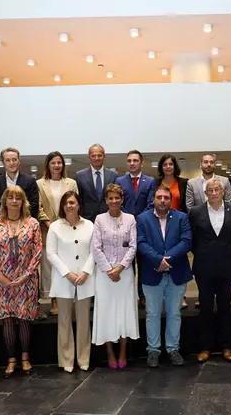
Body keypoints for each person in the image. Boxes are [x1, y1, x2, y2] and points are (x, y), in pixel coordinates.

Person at [0, 186, 43, 378]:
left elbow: (38, 251)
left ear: (23, 201)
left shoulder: (32, 223)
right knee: (8, 320)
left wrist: (27, 274)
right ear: (4, 201)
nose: (14, 201)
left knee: (25, 319)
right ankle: (11, 360)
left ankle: (25, 358)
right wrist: (0, 275)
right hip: (2, 281)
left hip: (26, 279)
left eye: (18, 198)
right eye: (10, 198)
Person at [136, 185, 192, 367]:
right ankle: (153, 350)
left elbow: (186, 241)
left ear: (171, 200)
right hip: (152, 272)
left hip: (176, 272)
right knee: (152, 313)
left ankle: (173, 348)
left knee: (174, 313)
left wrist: (168, 259)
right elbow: (141, 242)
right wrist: (157, 260)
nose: (162, 201)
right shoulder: (143, 219)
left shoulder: (181, 217)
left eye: (166, 198)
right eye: (159, 197)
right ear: (153, 199)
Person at [189, 178, 231, 363]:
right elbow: (193, 240)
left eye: (216, 189)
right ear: (205, 193)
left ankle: (227, 346)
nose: (213, 193)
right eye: (209, 190)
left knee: (226, 307)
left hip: (226, 266)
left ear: (223, 191)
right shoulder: (195, 212)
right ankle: (205, 347)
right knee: (205, 308)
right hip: (204, 267)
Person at [46, 191, 95, 373]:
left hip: (85, 279)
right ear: (62, 206)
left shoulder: (89, 225)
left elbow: (94, 252)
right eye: (66, 203)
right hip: (63, 280)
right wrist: (67, 273)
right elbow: (51, 253)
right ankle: (66, 359)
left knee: (84, 321)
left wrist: (85, 272)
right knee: (64, 321)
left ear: (79, 204)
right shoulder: (55, 227)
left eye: (72, 202)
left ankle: (83, 358)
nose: (69, 206)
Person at [91, 184, 138, 369]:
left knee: (124, 312)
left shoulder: (130, 219)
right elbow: (96, 247)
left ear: (122, 199)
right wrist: (109, 269)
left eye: (117, 198)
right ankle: (110, 351)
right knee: (107, 312)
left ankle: (123, 351)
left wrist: (120, 268)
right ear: (106, 200)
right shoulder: (99, 219)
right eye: (110, 198)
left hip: (125, 274)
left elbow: (133, 246)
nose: (114, 201)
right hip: (104, 275)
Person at [37, 151, 79, 316]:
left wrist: (64, 224)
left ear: (63, 165)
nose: (56, 165)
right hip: (48, 230)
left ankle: (66, 298)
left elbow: (75, 204)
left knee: (67, 264)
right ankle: (53, 299)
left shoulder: (71, 183)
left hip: (68, 230)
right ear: (48, 165)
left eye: (59, 162)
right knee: (49, 268)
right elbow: (38, 208)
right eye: (53, 162)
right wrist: (51, 225)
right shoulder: (40, 184)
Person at [146, 154, 189, 308]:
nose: (168, 167)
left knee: (177, 258)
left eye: (171, 164)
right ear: (161, 167)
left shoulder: (183, 182)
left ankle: (180, 296)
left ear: (174, 166)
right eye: (165, 164)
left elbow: (186, 204)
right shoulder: (155, 183)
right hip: (158, 222)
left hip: (177, 223)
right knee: (157, 254)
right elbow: (151, 202)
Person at [116, 150, 155, 308]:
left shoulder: (150, 181)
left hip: (144, 228)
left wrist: (139, 218)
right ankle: (129, 295)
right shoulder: (120, 180)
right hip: (125, 228)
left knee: (144, 263)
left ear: (141, 162)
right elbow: (119, 203)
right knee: (127, 264)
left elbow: (151, 203)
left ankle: (142, 295)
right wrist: (130, 218)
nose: (132, 163)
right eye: (129, 161)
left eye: (135, 160)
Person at [0, 147, 39, 219]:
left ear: (19, 161)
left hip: (24, 224)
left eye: (14, 159)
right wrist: (4, 221)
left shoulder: (30, 181)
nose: (12, 163)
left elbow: (34, 206)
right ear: (3, 163)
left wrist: (19, 221)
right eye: (8, 160)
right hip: (2, 225)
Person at [75, 143, 119, 221]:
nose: (96, 158)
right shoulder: (80, 176)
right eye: (93, 156)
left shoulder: (113, 175)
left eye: (99, 155)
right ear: (89, 157)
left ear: (104, 156)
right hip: (87, 219)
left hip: (109, 218)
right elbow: (78, 199)